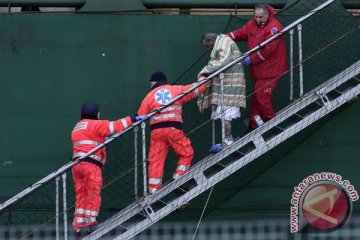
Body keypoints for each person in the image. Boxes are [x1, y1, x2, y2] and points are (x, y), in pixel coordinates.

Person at [71, 102, 146, 238]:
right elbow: (115, 126)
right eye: (98, 112)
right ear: (95, 113)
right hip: (91, 164)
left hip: (76, 165)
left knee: (81, 195)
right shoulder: (96, 124)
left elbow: (91, 138)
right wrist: (133, 119)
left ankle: (78, 226)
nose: (100, 115)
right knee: (93, 193)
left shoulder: (78, 126)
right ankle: (90, 224)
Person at [137, 71, 206, 194]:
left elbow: (140, 116)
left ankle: (153, 190)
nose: (150, 85)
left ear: (155, 82)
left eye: (151, 82)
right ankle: (178, 178)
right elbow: (196, 90)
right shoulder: (175, 90)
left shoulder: (149, 96)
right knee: (187, 153)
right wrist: (203, 78)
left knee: (155, 161)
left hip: (156, 133)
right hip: (173, 130)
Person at [226, 3, 288, 131]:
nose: (258, 20)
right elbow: (241, 33)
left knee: (262, 96)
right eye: (256, 17)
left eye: (261, 17)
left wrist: (251, 59)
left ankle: (272, 123)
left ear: (268, 15)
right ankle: (253, 126)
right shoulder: (252, 24)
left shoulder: (274, 27)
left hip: (272, 69)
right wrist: (226, 38)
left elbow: (268, 49)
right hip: (259, 71)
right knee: (257, 99)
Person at [198, 33, 246, 146]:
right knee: (223, 114)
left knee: (226, 115)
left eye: (208, 45)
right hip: (227, 86)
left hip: (232, 85)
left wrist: (206, 70)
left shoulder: (224, 42)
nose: (208, 48)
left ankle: (228, 139)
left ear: (211, 40)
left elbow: (224, 61)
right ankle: (227, 139)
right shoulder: (220, 45)